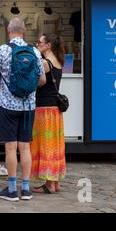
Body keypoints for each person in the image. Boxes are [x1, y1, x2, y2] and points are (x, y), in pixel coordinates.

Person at [0, 18, 46, 202]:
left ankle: (12, 190)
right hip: (28, 106)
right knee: (25, 147)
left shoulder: (2, 50)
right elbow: (42, 80)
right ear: (24, 31)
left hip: (7, 105)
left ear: (9, 31)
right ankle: (26, 189)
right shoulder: (35, 52)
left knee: (10, 147)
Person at [31, 34, 66, 194]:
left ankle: (49, 184)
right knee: (55, 146)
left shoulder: (45, 62)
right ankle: (55, 181)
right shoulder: (58, 61)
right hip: (55, 111)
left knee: (46, 146)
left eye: (40, 42)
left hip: (44, 109)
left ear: (49, 45)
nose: (37, 44)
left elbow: (37, 83)